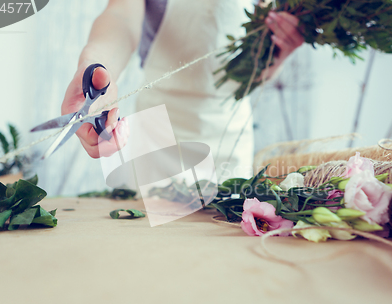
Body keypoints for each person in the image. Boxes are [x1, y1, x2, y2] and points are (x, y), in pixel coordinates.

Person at [61, 0, 304, 180]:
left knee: (229, 234)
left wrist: (279, 54)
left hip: (231, 135)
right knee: (154, 242)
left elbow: (257, 69)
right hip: (161, 132)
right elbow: (120, 16)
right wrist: (96, 67)